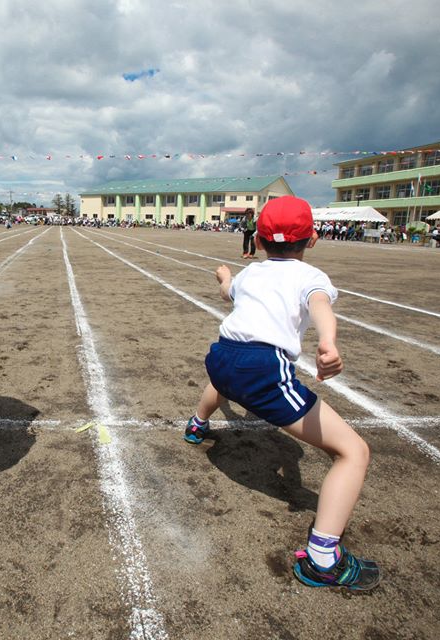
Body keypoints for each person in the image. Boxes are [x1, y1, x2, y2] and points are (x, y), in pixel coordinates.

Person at [182, 195, 379, 591]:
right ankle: (323, 560)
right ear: (313, 239)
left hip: (221, 356)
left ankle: (196, 425)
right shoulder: (311, 277)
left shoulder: (251, 274)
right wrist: (328, 342)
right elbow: (321, 305)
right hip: (263, 367)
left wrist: (224, 276)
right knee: (353, 452)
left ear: (257, 240)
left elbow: (228, 293)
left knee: (225, 380)